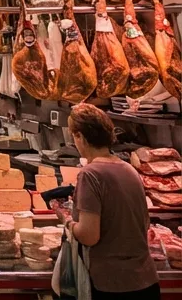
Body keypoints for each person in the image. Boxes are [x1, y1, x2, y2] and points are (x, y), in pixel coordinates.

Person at [64, 104, 160, 300]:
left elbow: (89, 236)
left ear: (80, 136)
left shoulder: (90, 174)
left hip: (113, 286)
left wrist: (67, 222)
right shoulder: (129, 169)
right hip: (146, 282)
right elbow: (144, 224)